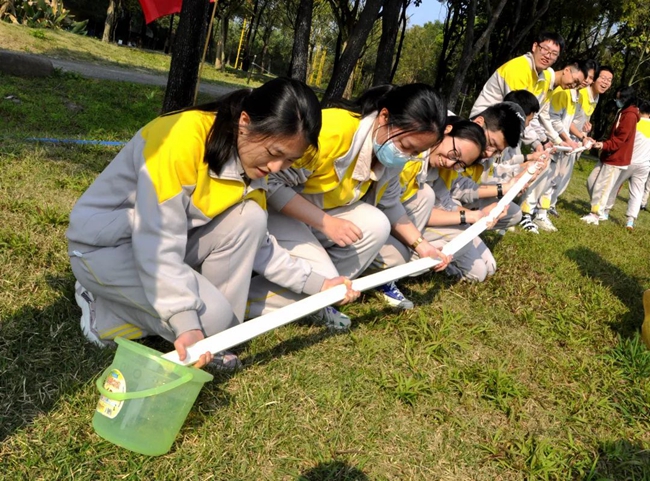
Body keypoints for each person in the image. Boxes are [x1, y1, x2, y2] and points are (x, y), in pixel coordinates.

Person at [67, 78, 358, 370]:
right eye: (274, 153)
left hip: (166, 246)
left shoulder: (252, 162)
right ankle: (102, 312)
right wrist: (183, 319)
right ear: (245, 122)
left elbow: (260, 244)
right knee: (211, 321)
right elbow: (156, 240)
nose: (275, 168)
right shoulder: (180, 138)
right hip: (105, 248)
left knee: (251, 219)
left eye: (288, 161)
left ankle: (209, 333)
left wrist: (320, 283)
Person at [247, 83, 450, 318]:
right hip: (275, 210)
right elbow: (270, 184)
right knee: (323, 279)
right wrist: (325, 223)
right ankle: (250, 301)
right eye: (405, 146)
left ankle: (317, 294)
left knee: (377, 224)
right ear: (384, 116)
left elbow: (390, 203)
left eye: (415, 153)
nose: (406, 156)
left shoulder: (391, 155)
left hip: (315, 216)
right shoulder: (334, 132)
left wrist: (422, 246)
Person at [530, 58, 597, 232]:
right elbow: (552, 118)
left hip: (558, 142)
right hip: (548, 142)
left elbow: (565, 121)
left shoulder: (574, 93)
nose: (587, 82)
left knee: (553, 180)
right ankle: (531, 213)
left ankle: (540, 212)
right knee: (542, 178)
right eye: (585, 77)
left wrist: (578, 137)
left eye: (590, 78)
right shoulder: (564, 90)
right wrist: (563, 140)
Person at [548, 66, 614, 218]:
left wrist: (586, 129)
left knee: (564, 176)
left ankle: (550, 203)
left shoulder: (595, 97)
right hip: (566, 138)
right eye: (602, 78)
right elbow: (568, 120)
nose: (605, 82)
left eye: (609, 80)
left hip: (576, 140)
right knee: (556, 174)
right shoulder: (582, 93)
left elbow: (582, 119)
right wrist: (581, 136)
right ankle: (543, 205)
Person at [470, 32, 565, 118]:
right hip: (483, 120)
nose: (548, 56)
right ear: (534, 47)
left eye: (554, 54)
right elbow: (518, 113)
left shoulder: (541, 76)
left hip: (504, 121)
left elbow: (532, 115)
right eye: (545, 49)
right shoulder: (519, 67)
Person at [582, 86, 640, 225]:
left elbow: (620, 139)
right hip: (608, 155)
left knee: (602, 187)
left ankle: (596, 214)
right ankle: (598, 207)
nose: (617, 100)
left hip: (616, 158)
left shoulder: (630, 115)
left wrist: (603, 145)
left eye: (620, 98)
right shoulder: (623, 112)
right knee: (592, 182)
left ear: (627, 99)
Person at [601, 98, 650, 230]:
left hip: (628, 161)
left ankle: (605, 211)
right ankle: (630, 220)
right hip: (644, 165)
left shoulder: (636, 123)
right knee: (637, 192)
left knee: (615, 186)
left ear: (639, 111)